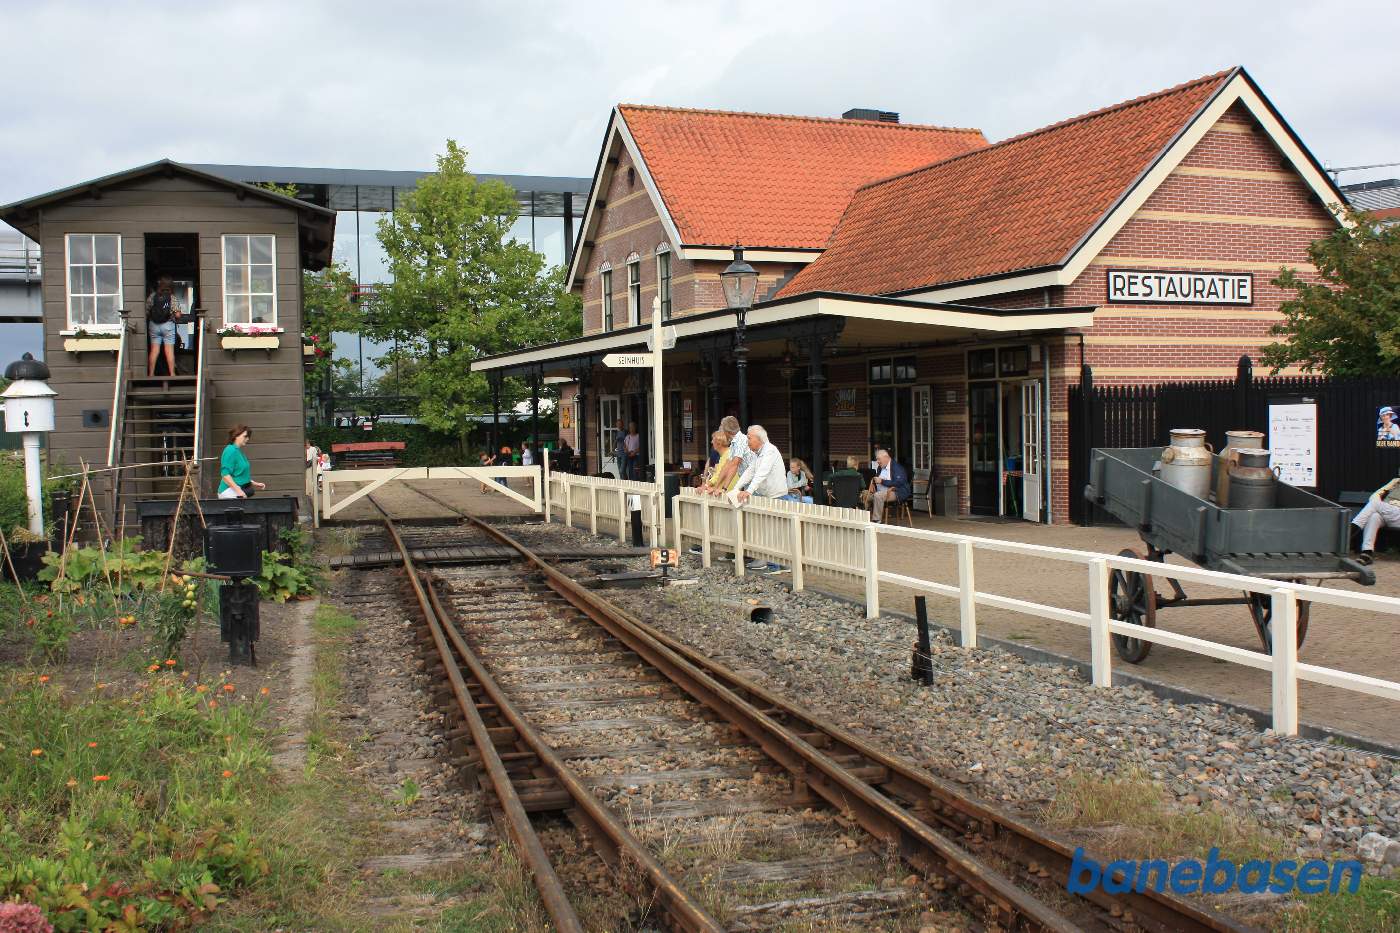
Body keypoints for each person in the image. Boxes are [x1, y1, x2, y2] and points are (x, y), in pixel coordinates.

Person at [733, 424, 789, 572]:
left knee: (775, 532)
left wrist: (749, 491)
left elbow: (762, 473)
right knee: (769, 531)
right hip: (768, 496)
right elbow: (749, 472)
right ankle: (778, 564)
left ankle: (776, 565)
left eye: (749, 438)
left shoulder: (770, 451)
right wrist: (736, 488)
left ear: (759, 439)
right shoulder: (759, 454)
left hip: (777, 496)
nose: (747, 441)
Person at [701, 416, 753, 498]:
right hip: (749, 485)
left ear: (726, 431)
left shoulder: (740, 441)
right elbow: (726, 466)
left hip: (757, 486)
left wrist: (724, 489)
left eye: (722, 430)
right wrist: (716, 487)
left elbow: (734, 465)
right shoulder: (734, 443)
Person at [1352, 476, 1400, 565]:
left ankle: (1350, 531)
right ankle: (1367, 552)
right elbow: (1374, 496)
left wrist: (1393, 504)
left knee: (1375, 505)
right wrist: (1384, 504)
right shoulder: (1395, 482)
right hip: (1389, 513)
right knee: (1374, 516)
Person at [145, 274, 185, 377]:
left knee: (154, 350)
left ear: (160, 285)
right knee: (169, 351)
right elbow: (177, 314)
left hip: (153, 325)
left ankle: (151, 373)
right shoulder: (172, 297)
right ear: (171, 286)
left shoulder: (152, 296)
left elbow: (146, 311)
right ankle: (172, 374)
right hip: (168, 325)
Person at [218, 424, 265, 500]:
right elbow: (225, 475)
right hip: (228, 492)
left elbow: (239, 474)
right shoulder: (230, 450)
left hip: (236, 492)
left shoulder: (238, 451)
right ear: (236, 435)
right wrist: (239, 491)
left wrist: (255, 483)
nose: (247, 439)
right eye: (245, 436)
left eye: (248, 437)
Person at [868, 448, 912, 523]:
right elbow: (879, 480)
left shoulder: (897, 468)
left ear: (886, 457)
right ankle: (862, 519)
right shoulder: (880, 467)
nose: (877, 461)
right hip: (882, 491)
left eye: (879, 459)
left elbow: (899, 482)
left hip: (896, 491)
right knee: (865, 494)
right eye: (877, 459)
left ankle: (876, 520)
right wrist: (873, 484)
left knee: (878, 496)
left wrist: (882, 481)